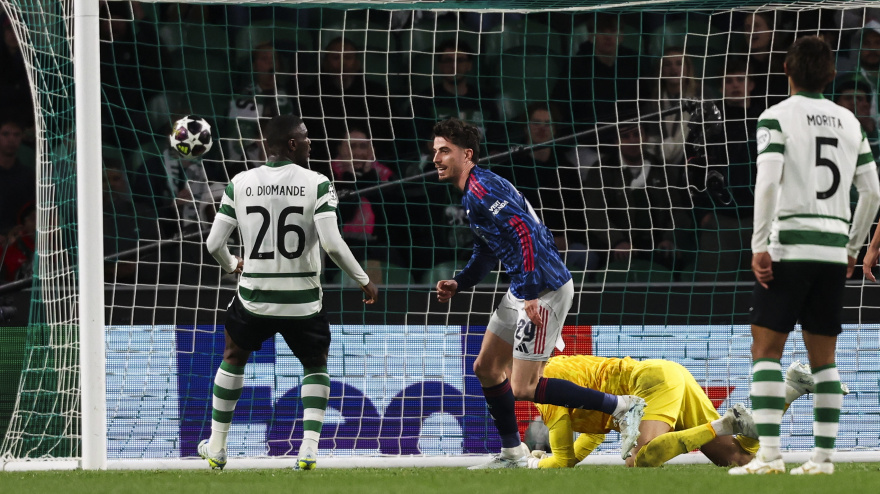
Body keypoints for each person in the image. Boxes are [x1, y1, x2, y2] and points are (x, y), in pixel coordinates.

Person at [431, 118, 646, 469]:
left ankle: (623, 407)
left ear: (466, 154)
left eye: (444, 151)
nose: (436, 159)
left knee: (525, 386)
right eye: (435, 151)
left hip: (543, 288)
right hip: (524, 286)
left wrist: (530, 293)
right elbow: (487, 251)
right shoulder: (473, 194)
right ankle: (513, 453)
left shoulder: (484, 189)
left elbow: (524, 233)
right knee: (486, 367)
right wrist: (460, 282)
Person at [730, 36, 880, 475]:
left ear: (785, 69)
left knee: (766, 352)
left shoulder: (775, 118)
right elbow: (872, 192)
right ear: (831, 75)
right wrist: (852, 246)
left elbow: (768, 183)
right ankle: (822, 460)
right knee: (824, 360)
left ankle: (771, 457)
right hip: (833, 253)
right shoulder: (852, 122)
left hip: (788, 248)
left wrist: (760, 243)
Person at [198, 114, 379, 471]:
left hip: (256, 297)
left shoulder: (240, 182)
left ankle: (217, 447)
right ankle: (309, 448)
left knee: (233, 355)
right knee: (315, 365)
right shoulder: (318, 183)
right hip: (303, 302)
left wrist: (233, 263)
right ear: (292, 144)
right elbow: (332, 243)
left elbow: (213, 242)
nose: (311, 142)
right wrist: (363, 279)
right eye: (306, 136)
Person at [522, 355, 827, 469]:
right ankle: (790, 390)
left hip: (652, 382)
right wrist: (550, 458)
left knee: (639, 460)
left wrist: (534, 465)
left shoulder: (544, 388)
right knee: (738, 459)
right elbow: (588, 441)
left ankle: (727, 423)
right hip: (668, 374)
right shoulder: (555, 371)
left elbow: (562, 460)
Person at [492, 103, 595, 270]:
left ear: (554, 130)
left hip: (558, 247)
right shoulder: (507, 170)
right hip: (521, 246)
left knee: (585, 255)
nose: (542, 128)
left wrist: (567, 238)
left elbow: (578, 216)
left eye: (548, 124)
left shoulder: (566, 171)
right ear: (526, 128)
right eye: (536, 123)